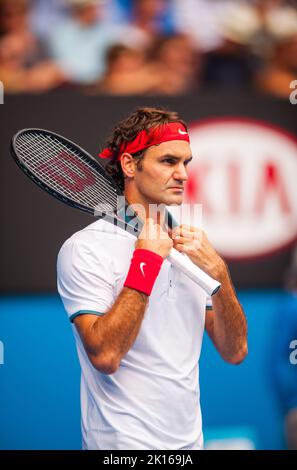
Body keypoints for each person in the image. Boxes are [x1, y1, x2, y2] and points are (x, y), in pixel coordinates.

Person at [57, 107, 248, 450]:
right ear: (131, 165)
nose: (183, 174)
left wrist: (220, 273)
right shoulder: (84, 248)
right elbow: (105, 357)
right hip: (121, 447)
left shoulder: (192, 246)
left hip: (190, 446)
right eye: (168, 161)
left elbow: (235, 351)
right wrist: (145, 262)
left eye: (186, 163)